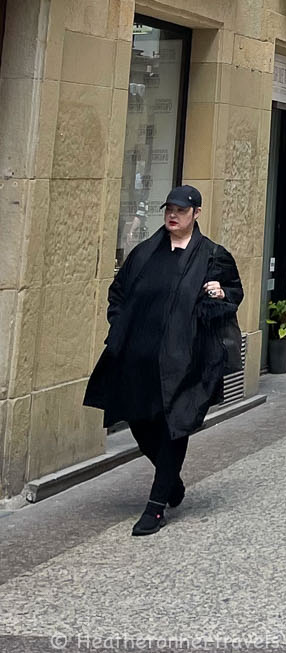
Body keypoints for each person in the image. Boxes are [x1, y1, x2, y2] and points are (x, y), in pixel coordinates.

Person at [84, 185, 244, 536]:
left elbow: (233, 292)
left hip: (187, 360)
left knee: (175, 424)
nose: (173, 215)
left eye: (181, 210)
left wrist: (221, 293)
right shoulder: (144, 253)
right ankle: (171, 483)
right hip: (139, 358)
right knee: (140, 423)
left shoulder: (213, 256)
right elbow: (119, 293)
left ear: (196, 214)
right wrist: (121, 326)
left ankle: (155, 507)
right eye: (169, 209)